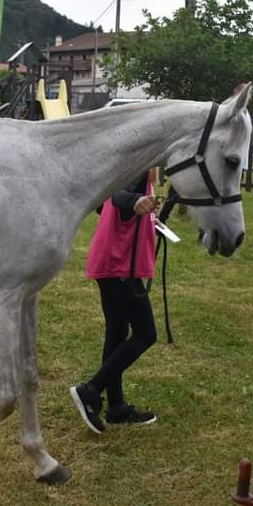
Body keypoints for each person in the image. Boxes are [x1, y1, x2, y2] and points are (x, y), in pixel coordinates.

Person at [70, 170, 160, 434]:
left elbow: (102, 203)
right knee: (146, 333)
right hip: (121, 266)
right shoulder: (137, 171)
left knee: (118, 332)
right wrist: (132, 201)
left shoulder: (142, 173)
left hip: (112, 263)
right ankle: (91, 390)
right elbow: (117, 194)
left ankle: (116, 407)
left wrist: (150, 216)